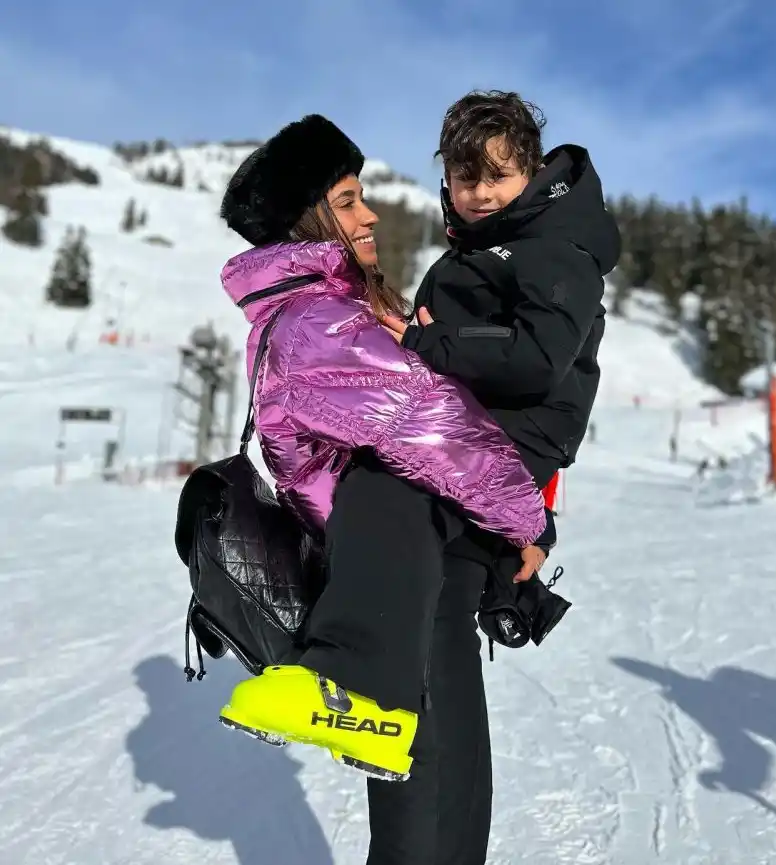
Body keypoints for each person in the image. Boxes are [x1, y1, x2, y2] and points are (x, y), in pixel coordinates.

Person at [214, 114, 547, 785]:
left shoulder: (316, 308)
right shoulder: (317, 319)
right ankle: (358, 693)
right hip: (395, 558)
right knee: (437, 790)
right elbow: (426, 421)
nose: (369, 214)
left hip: (396, 566)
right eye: (346, 202)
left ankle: (374, 706)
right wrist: (527, 520)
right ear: (306, 222)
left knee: (445, 779)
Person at [376, 90, 621, 864]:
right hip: (471, 455)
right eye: (462, 175)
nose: (478, 191)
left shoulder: (552, 244)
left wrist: (425, 346)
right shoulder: (489, 246)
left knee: (421, 640)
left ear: (531, 172)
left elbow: (536, 356)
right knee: (424, 642)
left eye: (497, 175)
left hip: (490, 454)